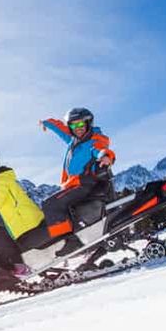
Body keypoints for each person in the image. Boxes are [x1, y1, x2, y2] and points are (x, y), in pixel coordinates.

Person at [39, 107, 115, 256]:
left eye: (81, 124)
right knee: (61, 208)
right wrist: (46, 123)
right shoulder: (73, 139)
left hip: (84, 183)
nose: (78, 128)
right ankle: (78, 236)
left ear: (88, 123)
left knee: (51, 205)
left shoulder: (94, 140)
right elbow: (60, 128)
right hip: (73, 184)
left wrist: (106, 156)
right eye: (73, 125)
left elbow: (101, 150)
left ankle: (70, 242)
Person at [0, 152, 45, 276]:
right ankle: (32, 269)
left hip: (24, 220)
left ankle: (28, 270)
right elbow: (5, 202)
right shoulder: (3, 176)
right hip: (26, 217)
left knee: (14, 246)